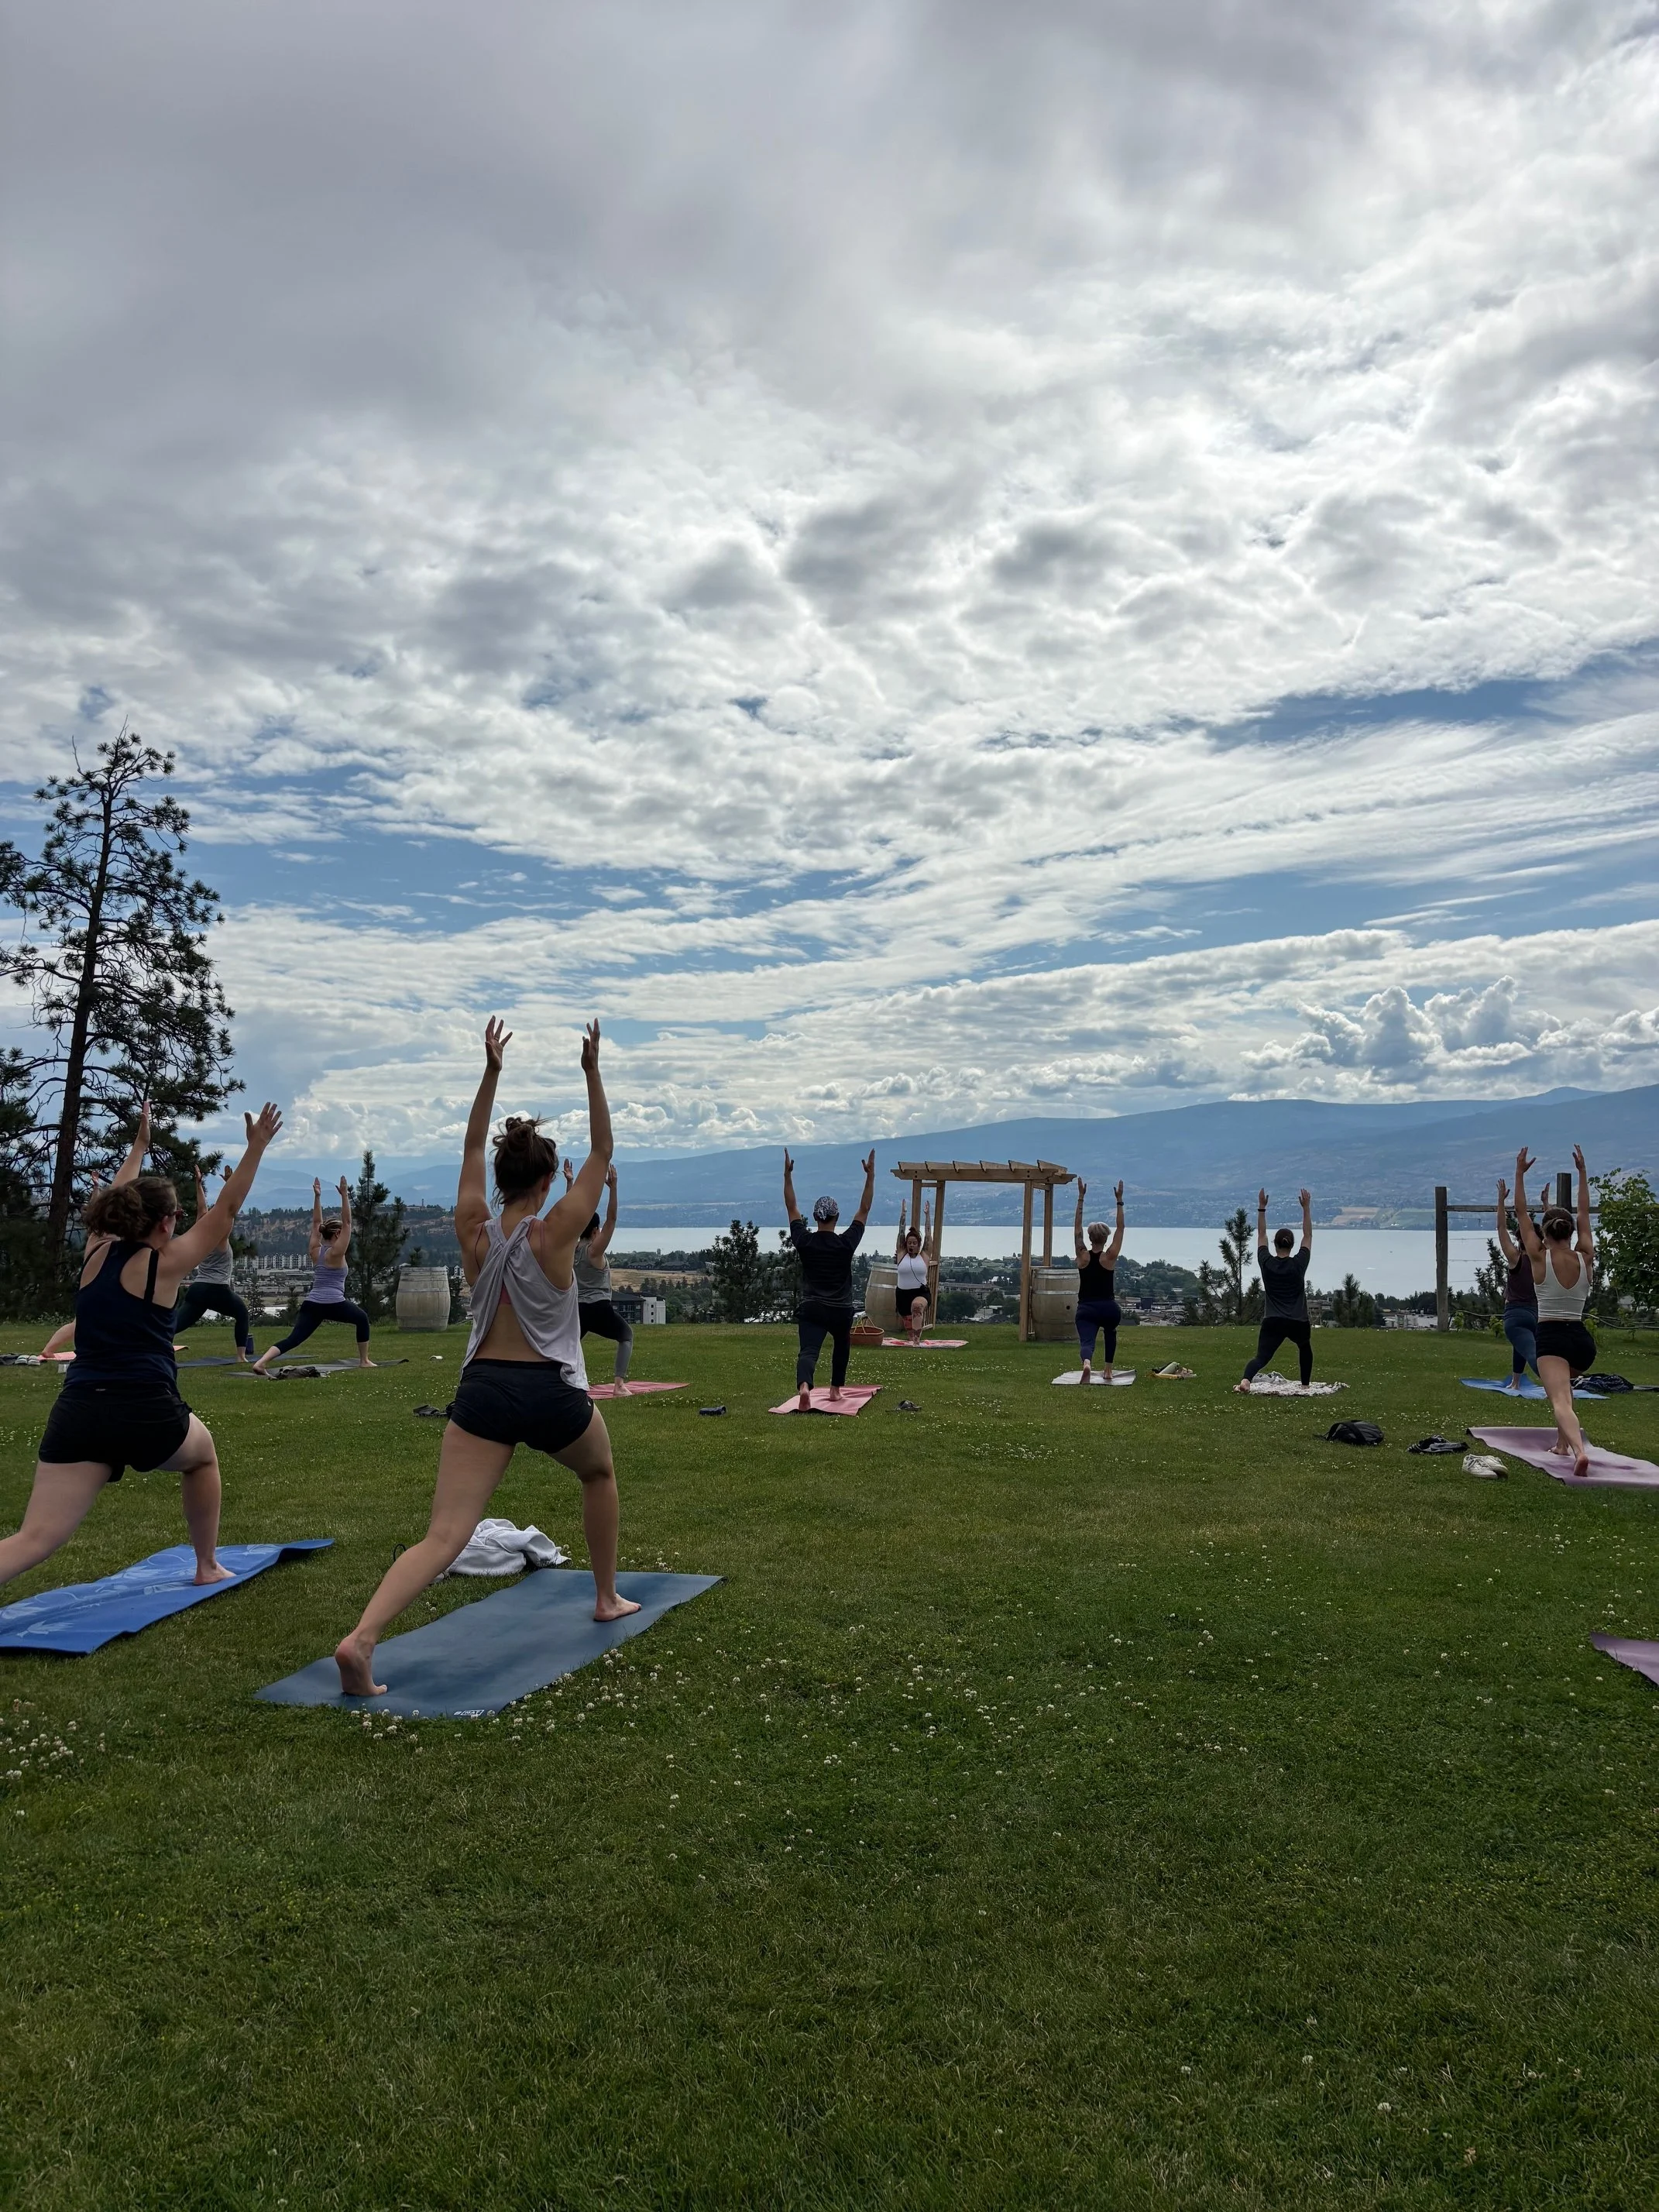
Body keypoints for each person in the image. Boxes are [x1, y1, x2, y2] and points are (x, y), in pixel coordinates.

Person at [335, 1018, 638, 1696]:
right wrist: (591, 1070)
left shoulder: (472, 1229)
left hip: (482, 1392)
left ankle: (361, 1640)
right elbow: (603, 1149)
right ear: (545, 1181)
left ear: (502, 1178)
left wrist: (492, 1071)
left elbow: (472, 1142)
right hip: (550, 1391)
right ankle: (606, 1596)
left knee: (444, 1537)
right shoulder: (558, 1230)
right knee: (598, 1475)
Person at [0, 1099, 284, 1591]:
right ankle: (206, 1565)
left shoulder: (95, 1251)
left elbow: (112, 1197)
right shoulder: (164, 1264)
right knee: (201, 1456)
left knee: (35, 1537)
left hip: (80, 1409)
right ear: (168, 1221)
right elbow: (227, 1210)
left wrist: (139, 1147)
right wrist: (256, 1147)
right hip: (145, 1409)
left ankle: (207, 1563)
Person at [1513, 1146, 1596, 1477]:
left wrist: (1519, 1174)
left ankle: (1578, 1451)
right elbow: (1586, 1213)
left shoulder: (1537, 1257)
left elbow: (1520, 1212)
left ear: (1544, 1234)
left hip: (1551, 1337)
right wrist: (1583, 1173)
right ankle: (1563, 1445)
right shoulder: (1585, 1255)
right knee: (1566, 1390)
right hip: (1581, 1341)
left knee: (1560, 1400)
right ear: (1571, 1233)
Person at [784, 1147, 874, 1410]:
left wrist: (787, 1176)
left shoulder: (805, 1240)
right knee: (841, 1345)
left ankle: (804, 1387)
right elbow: (865, 1208)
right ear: (837, 1218)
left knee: (809, 1350)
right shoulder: (845, 1243)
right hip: (840, 1309)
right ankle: (835, 1390)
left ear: (814, 1218)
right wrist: (870, 1176)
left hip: (812, 1307)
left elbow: (791, 1206)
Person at [251, 1176, 372, 1373]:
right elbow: (348, 1222)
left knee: (294, 1339)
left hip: (313, 1303)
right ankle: (364, 1360)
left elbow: (317, 1223)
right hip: (334, 1303)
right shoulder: (336, 1253)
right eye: (341, 1232)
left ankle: (261, 1362)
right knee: (362, 1319)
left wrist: (317, 1197)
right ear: (337, 1234)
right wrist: (344, 1195)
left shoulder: (315, 1250)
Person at [562, 1159, 634, 1393]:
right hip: (599, 1308)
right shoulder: (594, 1251)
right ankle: (619, 1385)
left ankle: (562, 1382)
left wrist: (571, 1182)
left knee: (568, 1346)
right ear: (595, 1231)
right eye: (599, 1230)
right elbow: (612, 1219)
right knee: (626, 1336)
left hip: (578, 1309)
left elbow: (569, 1216)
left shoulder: (572, 1248)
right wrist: (613, 1188)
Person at [171, 1166, 255, 1362]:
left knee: (175, 1325)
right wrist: (229, 1185)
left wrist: (198, 1184)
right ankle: (241, 1357)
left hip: (198, 1289)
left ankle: (147, 1344)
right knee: (242, 1314)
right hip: (217, 1288)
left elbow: (202, 1211)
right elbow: (228, 1212)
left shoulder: (200, 1238)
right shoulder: (220, 1239)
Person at [1235, 1187, 1314, 1392]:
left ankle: (1246, 1381)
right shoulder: (1299, 1264)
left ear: (1275, 1244)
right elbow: (1308, 1235)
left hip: (1273, 1320)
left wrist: (1262, 1208)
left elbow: (1261, 1234)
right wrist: (1306, 1208)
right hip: (1298, 1321)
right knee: (1304, 1347)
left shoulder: (1266, 1263)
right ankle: (1305, 1386)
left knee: (1261, 1357)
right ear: (1292, 1245)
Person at [1073, 1178, 1125, 1382]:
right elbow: (1121, 1229)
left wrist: (1081, 1197)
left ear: (1089, 1237)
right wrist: (1119, 1201)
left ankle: (1087, 1362)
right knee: (1110, 1332)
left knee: (1087, 1339)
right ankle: (1109, 1370)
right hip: (1109, 1308)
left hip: (1086, 1308)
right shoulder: (1109, 1257)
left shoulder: (1082, 1256)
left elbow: (1076, 1226)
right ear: (1105, 1238)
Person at [1493, 1175, 1540, 1393]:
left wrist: (1501, 1201)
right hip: (1536, 1315)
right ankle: (1516, 1382)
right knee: (1521, 1346)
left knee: (1532, 1353)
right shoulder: (1544, 1258)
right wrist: (1548, 1207)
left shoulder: (1516, 1257)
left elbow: (1501, 1229)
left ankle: (1560, 1383)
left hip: (1515, 1315)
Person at [893, 1200, 935, 1341]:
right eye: (909, 1243)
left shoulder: (924, 1256)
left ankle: (917, 1343)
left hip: (920, 1292)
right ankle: (912, 1339)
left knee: (917, 1307)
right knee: (908, 1325)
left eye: (914, 1243)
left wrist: (927, 1215)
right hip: (902, 1294)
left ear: (919, 1245)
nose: (911, 1245)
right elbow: (900, 1232)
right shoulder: (902, 1255)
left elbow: (928, 1234)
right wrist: (903, 1214)